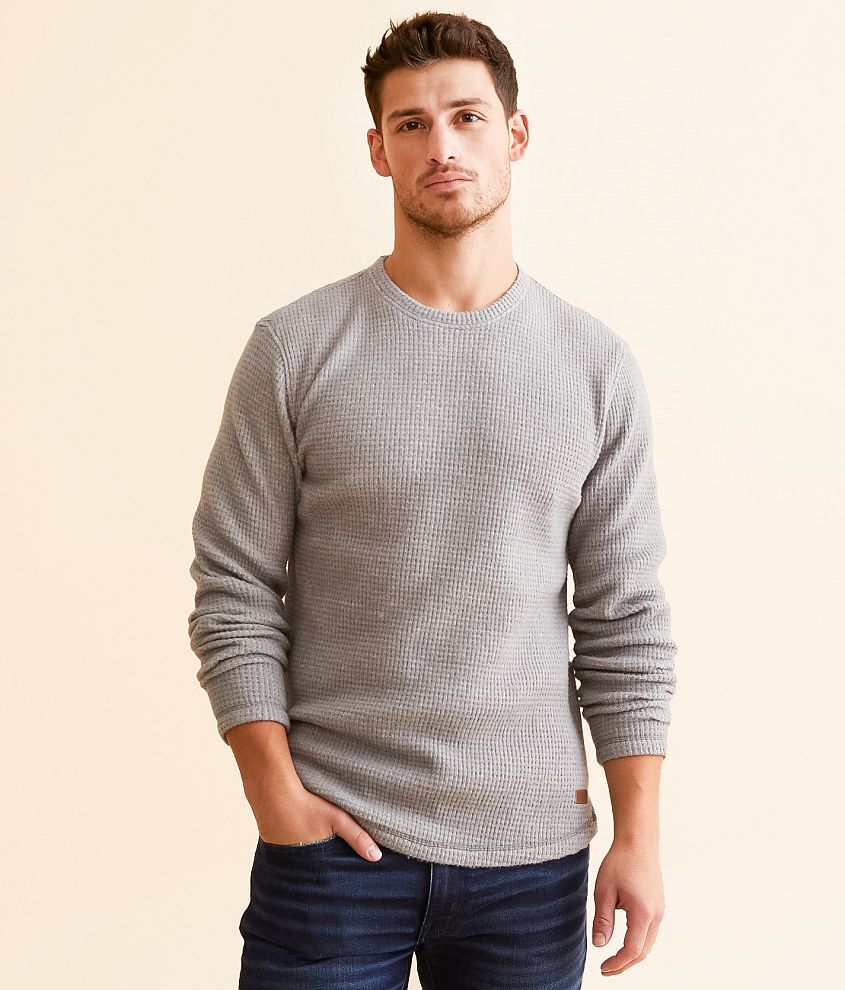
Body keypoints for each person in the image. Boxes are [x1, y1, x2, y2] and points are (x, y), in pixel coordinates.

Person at [187, 10, 677, 989]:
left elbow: (622, 617)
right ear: (378, 151)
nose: (440, 145)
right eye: (410, 124)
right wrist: (275, 797)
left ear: (514, 135)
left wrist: (638, 835)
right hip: (332, 847)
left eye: (466, 116)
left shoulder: (593, 367)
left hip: (532, 858)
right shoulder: (294, 349)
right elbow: (232, 589)